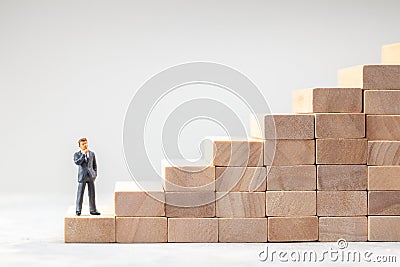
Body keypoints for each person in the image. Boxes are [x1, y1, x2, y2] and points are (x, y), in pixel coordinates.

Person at [73, 137, 100, 216]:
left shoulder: (92, 154)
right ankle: (78, 210)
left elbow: (95, 165)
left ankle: (93, 210)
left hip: (91, 176)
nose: (85, 145)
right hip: (82, 177)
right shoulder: (77, 154)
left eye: (86, 143)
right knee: (80, 194)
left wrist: (95, 174)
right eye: (83, 144)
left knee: (92, 194)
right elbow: (77, 162)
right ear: (80, 146)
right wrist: (83, 155)